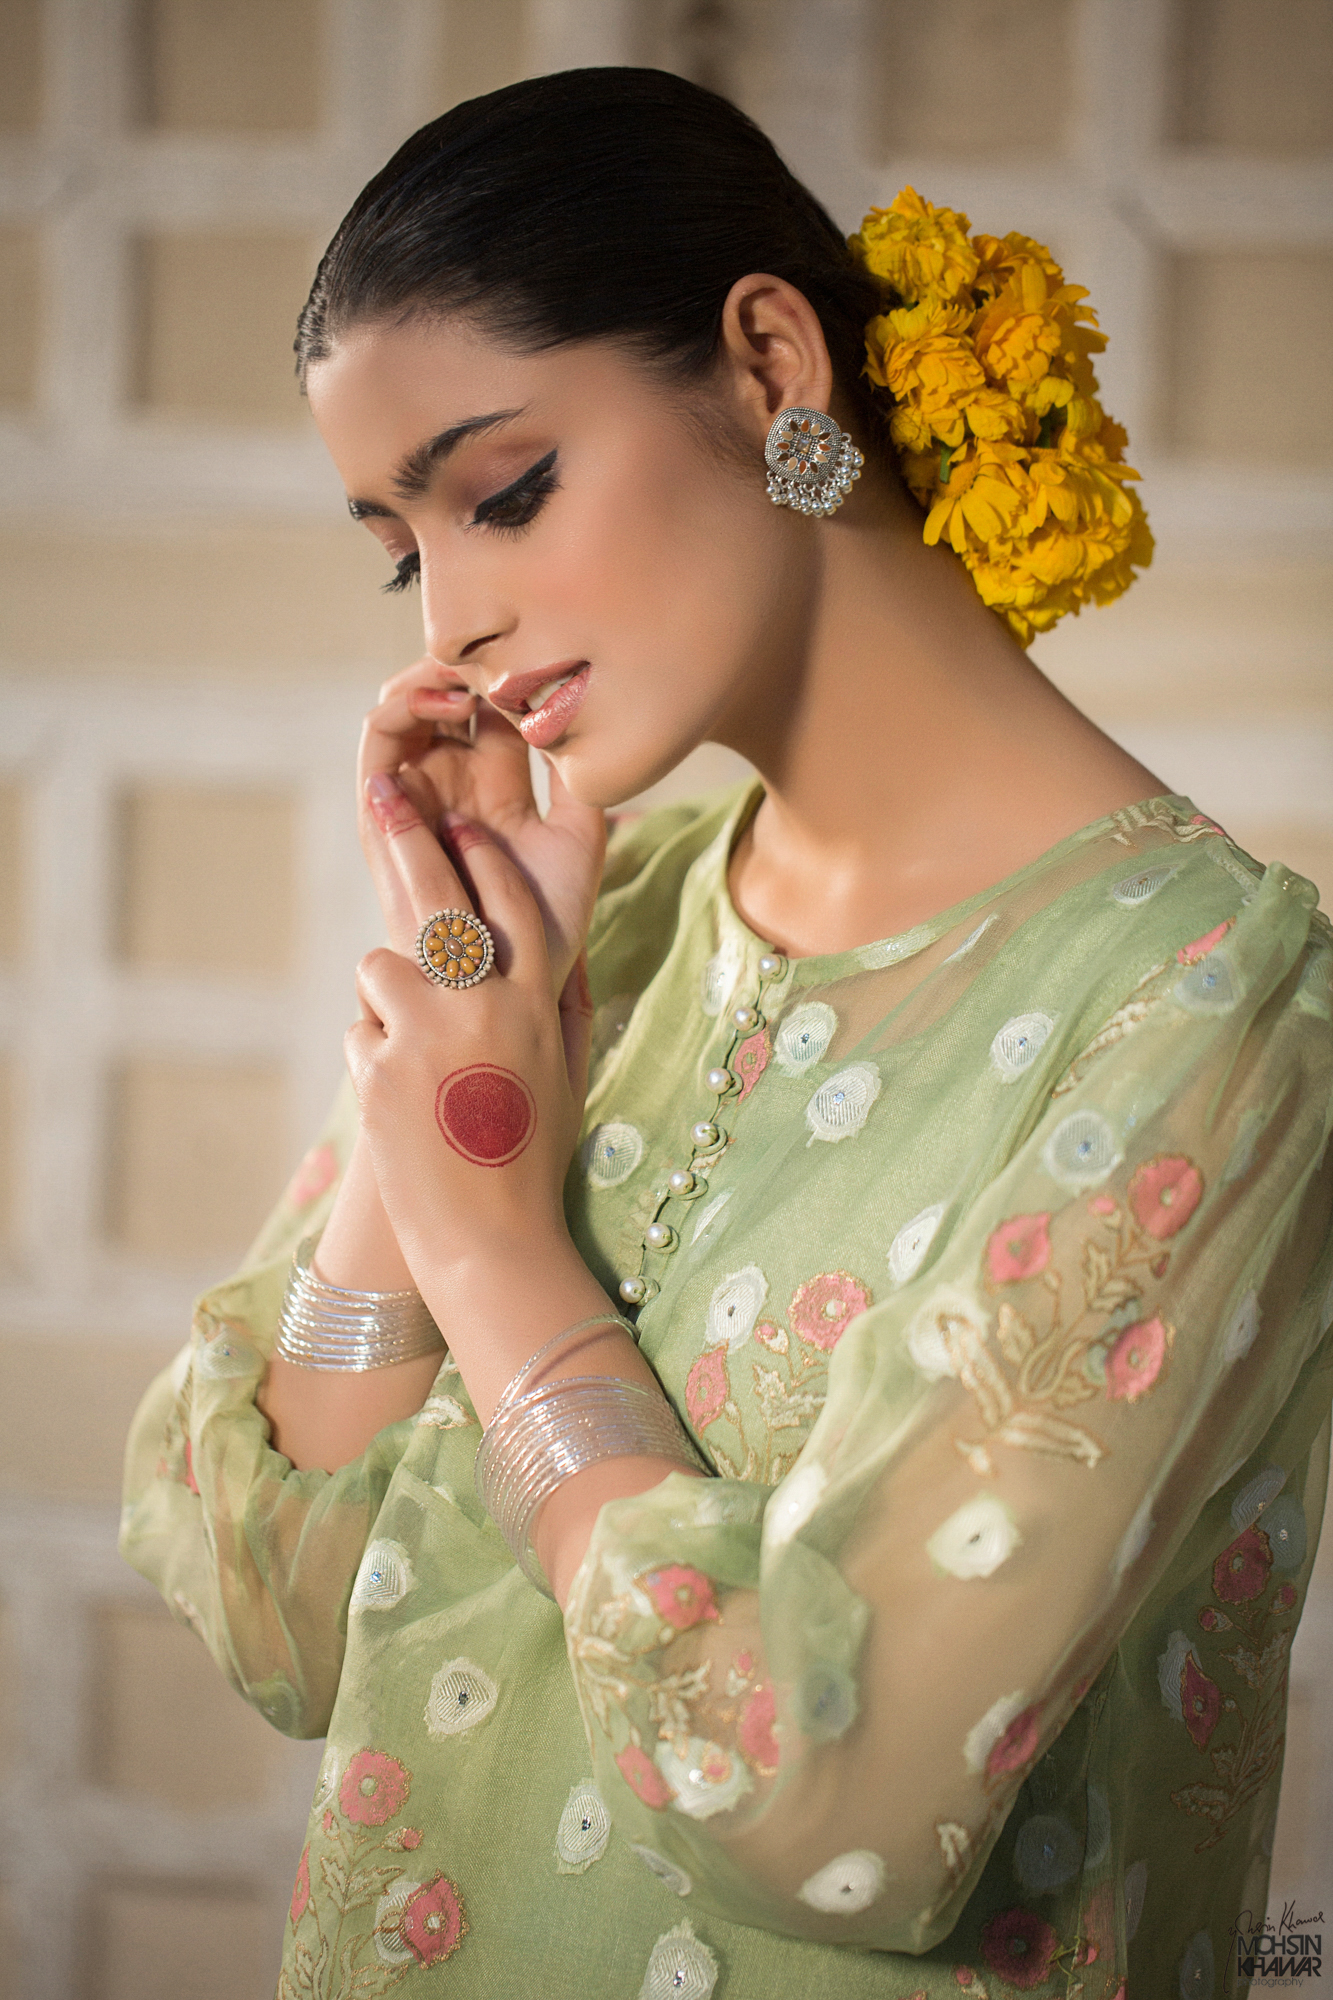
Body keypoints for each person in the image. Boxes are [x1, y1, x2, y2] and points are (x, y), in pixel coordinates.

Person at [120, 67, 1333, 2000]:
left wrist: (497, 1253)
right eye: (404, 550)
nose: (448, 627)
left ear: (772, 365)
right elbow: (283, 1616)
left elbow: (826, 1804)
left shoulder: (1207, 1006)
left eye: (505, 492)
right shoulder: (602, 926)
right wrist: (452, 1008)